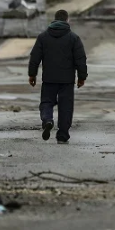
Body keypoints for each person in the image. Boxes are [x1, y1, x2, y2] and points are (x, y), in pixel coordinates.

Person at [28, 9, 88, 144]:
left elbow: (34, 58)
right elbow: (81, 59)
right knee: (65, 107)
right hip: (67, 80)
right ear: (67, 20)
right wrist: (82, 77)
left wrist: (32, 74)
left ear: (54, 20)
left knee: (46, 102)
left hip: (49, 79)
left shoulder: (43, 37)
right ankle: (62, 135)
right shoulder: (73, 38)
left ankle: (47, 120)